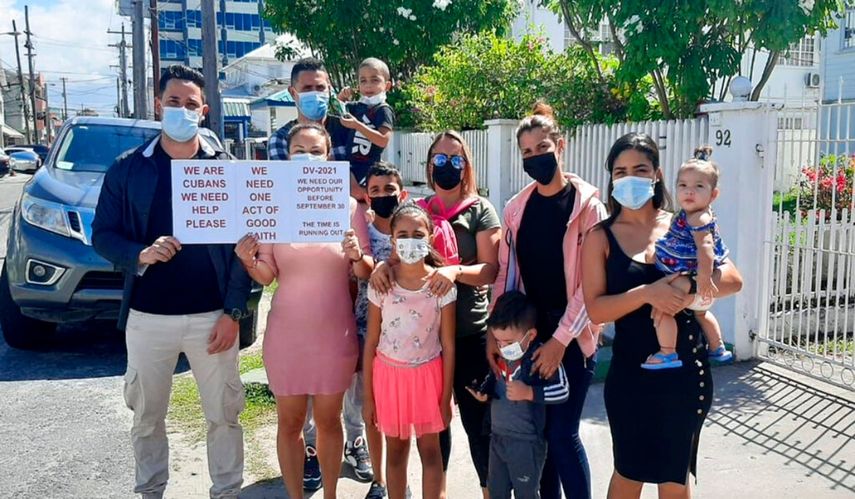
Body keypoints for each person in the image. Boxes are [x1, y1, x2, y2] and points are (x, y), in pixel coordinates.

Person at [92, 64, 252, 499]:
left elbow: (244, 253)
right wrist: (139, 254)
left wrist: (233, 312)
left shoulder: (228, 169)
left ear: (205, 109)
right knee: (146, 415)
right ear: (159, 105)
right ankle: (150, 491)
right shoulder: (128, 169)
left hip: (211, 318)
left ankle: (227, 491)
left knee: (223, 413)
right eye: (173, 102)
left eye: (191, 103)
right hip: (148, 318)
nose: (182, 110)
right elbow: (102, 235)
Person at [580, 132, 743, 498]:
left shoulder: (685, 224)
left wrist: (687, 287)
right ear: (611, 178)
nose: (630, 177)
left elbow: (733, 279)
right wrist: (647, 293)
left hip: (684, 373)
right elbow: (596, 308)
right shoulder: (599, 237)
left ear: (656, 174)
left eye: (640, 169)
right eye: (621, 171)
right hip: (631, 377)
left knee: (674, 476)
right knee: (629, 472)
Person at [234, 123, 374, 499]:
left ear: (329, 156)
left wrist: (357, 256)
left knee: (329, 422)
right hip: (287, 337)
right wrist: (248, 260)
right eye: (299, 149)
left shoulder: (348, 208)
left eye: (315, 150)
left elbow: (364, 273)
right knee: (290, 423)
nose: (307, 157)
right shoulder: (272, 207)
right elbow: (266, 275)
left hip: (334, 335)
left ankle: (329, 494)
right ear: (287, 155)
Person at [371, 130, 501, 498]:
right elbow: (399, 252)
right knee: (434, 434)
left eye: (455, 160)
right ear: (429, 166)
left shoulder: (480, 210)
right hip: (422, 344)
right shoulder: (419, 211)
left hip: (467, 332)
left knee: (479, 425)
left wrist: (455, 271)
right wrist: (382, 267)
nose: (447, 166)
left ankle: (488, 489)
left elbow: (491, 270)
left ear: (466, 166)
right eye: (440, 160)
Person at [491, 103, 606, 499]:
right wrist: (497, 333)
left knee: (562, 433)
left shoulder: (588, 207)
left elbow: (591, 284)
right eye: (526, 152)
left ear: (561, 145)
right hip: (530, 335)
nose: (535, 157)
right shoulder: (516, 208)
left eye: (542, 147)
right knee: (540, 432)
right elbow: (507, 274)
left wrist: (560, 340)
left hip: (572, 335)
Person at [363, 202, 456, 499]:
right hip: (388, 378)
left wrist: (445, 396)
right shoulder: (381, 285)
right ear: (392, 240)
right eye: (402, 234)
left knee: (430, 451)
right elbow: (371, 343)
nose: (410, 240)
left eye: (418, 234)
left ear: (430, 237)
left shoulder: (442, 286)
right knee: (396, 450)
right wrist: (368, 397)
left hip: (429, 377)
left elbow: (449, 345)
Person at [467, 291, 570, 499]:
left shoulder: (539, 356)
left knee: (526, 493)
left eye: (507, 342)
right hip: (497, 437)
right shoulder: (501, 353)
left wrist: (530, 392)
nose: (502, 347)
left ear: (530, 335)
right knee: (496, 492)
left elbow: (563, 389)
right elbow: (494, 379)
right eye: (498, 341)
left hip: (526, 443)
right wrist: (484, 393)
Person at [349, 162, 410, 499]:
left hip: (407, 337)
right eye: (375, 191)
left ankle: (399, 476)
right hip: (366, 331)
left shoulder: (414, 230)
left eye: (389, 190)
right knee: (370, 410)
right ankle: (380, 481)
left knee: (399, 417)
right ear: (367, 197)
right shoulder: (363, 233)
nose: (383, 196)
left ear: (402, 193)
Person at [643, 146, 733, 370]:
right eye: (683, 186)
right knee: (702, 313)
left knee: (663, 310)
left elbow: (706, 249)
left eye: (698, 187)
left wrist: (702, 280)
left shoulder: (699, 218)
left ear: (713, 195)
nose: (689, 192)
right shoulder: (691, 214)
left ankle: (667, 353)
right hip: (700, 290)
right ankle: (718, 347)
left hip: (692, 279)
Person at [337, 58, 396, 192]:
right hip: (349, 169)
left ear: (387, 85)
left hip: (369, 171)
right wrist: (341, 98)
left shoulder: (383, 109)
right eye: (363, 81)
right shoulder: (357, 107)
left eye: (375, 80)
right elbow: (335, 111)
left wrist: (358, 126)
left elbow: (383, 140)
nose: (368, 85)